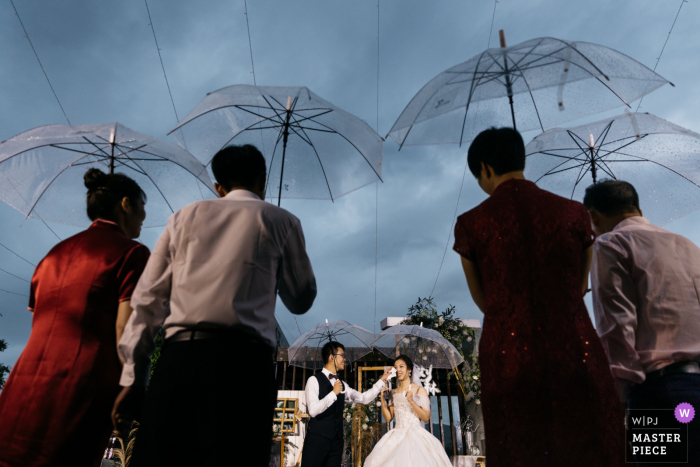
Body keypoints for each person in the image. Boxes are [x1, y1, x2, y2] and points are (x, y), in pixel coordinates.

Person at [114, 144, 316, 467]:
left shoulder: (183, 218)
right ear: (262, 181)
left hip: (179, 361)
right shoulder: (282, 222)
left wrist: (133, 377)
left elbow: (148, 301)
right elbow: (302, 298)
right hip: (246, 369)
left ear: (218, 188)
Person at [452, 128, 628, 466]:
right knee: (587, 443)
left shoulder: (471, 223)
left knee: (522, 447)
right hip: (574, 344)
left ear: (485, 169)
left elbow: (483, 300)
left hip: (509, 353)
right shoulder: (574, 213)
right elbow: (579, 288)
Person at [0, 169, 150, 467]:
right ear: (125, 204)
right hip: (82, 383)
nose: (144, 216)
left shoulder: (53, 254)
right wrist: (133, 386)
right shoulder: (133, 253)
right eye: (142, 206)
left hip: (25, 378)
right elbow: (125, 329)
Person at [584, 179, 700, 466]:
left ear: (593, 218)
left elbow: (617, 328)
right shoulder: (687, 246)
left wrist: (617, 398)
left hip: (660, 393)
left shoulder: (610, 244)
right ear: (635, 205)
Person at [302, 341, 390, 467]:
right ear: (332, 357)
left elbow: (363, 398)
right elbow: (313, 410)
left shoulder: (342, 385)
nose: (345, 359)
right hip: (317, 441)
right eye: (342, 355)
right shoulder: (313, 380)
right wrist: (333, 393)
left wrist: (381, 381)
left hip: (336, 443)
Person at [364, 355, 451, 467]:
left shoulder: (419, 390)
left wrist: (412, 402)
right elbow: (388, 417)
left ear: (409, 370)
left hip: (416, 435)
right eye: (395, 367)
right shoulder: (393, 392)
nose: (398, 370)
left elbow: (425, 417)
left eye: (401, 366)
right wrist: (382, 398)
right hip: (397, 434)